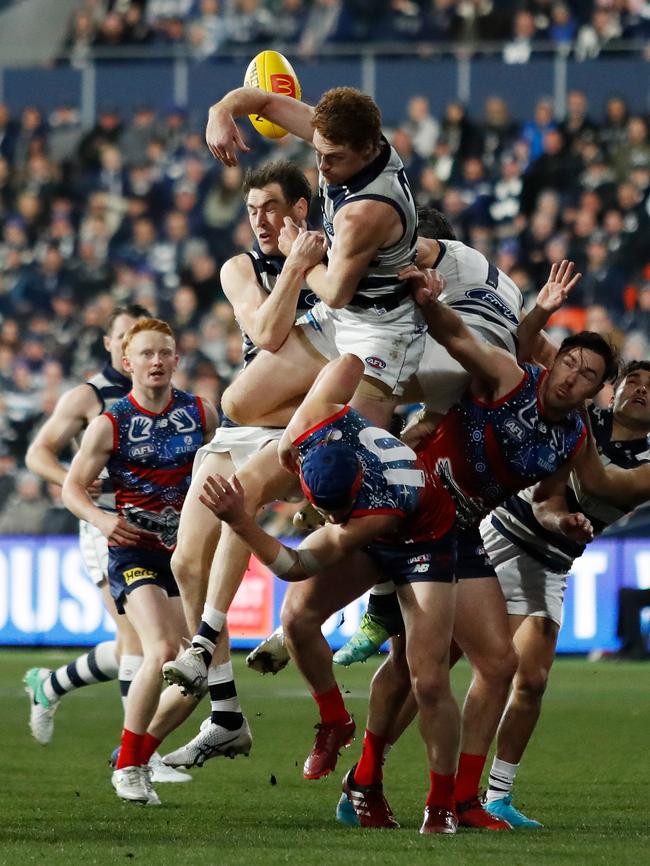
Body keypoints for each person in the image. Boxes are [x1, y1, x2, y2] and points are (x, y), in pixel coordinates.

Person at [198, 311, 617, 834]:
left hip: (454, 531)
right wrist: (427, 299)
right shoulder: (511, 379)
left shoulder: (572, 439)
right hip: (404, 513)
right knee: (337, 633)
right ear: (552, 361)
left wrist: (565, 518)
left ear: (597, 391)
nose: (571, 378)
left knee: (481, 664)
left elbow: (550, 497)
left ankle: (451, 799)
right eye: (569, 364)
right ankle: (348, 739)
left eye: (587, 376)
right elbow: (458, 335)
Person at [160, 161, 333, 768]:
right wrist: (293, 266)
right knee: (185, 561)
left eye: (271, 208)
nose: (259, 219)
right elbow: (266, 327)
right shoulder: (240, 268)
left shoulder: (336, 264)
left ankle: (216, 643)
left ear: (300, 211)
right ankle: (228, 715)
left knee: (245, 502)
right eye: (253, 208)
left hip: (290, 430)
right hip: (239, 428)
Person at [479, 359, 650, 826]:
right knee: (434, 663)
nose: (640, 389)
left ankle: (497, 796)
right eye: (633, 380)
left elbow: (605, 484)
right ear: (611, 390)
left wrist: (578, 423)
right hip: (498, 534)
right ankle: (368, 777)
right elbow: (538, 357)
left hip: (551, 562)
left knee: (531, 680)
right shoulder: (581, 413)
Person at [21, 305, 189, 777]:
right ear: (110, 343)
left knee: (141, 642)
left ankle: (51, 685)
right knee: (141, 642)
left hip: (161, 528)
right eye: (122, 337)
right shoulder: (90, 397)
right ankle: (139, 758)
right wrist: (73, 481)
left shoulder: (171, 400)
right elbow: (38, 454)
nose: (128, 345)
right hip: (107, 525)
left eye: (140, 338)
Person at [206, 84, 425, 430]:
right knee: (236, 403)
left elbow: (337, 292)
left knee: (348, 453)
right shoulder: (340, 136)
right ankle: (325, 419)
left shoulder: (363, 212)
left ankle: (356, 424)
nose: (322, 167)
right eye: (319, 152)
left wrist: (296, 255)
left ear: (368, 148)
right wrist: (220, 110)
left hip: (380, 330)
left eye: (334, 157)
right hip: (340, 318)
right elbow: (263, 100)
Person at [62, 318, 218, 805]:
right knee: (161, 651)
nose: (156, 361)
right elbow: (71, 488)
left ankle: (135, 752)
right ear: (127, 363)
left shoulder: (202, 413)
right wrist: (104, 522)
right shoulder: (110, 423)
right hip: (133, 550)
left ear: (176, 360)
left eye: (164, 353)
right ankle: (130, 766)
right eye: (146, 353)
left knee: (195, 673)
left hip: (186, 557)